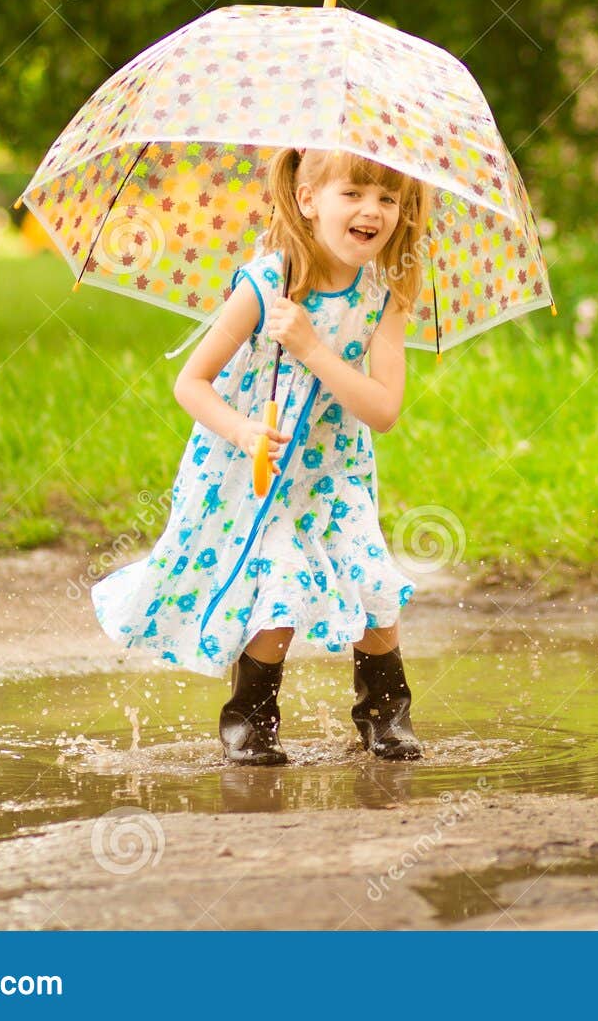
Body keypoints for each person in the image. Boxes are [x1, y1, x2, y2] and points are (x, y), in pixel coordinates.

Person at [91, 144, 430, 765]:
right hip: (251, 470)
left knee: (371, 582)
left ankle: (385, 714)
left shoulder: (386, 297)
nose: (373, 211)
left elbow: (382, 410)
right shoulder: (266, 283)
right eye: (352, 193)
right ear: (308, 200)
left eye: (388, 198)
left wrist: (309, 346)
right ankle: (251, 719)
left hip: (334, 473)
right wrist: (244, 430)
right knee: (277, 591)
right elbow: (190, 383)